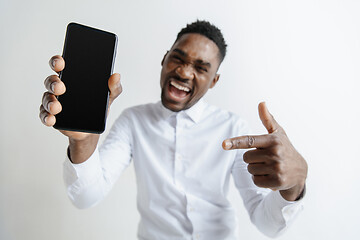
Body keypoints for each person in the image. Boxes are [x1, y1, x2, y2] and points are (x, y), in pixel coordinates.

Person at [39, 20, 307, 239]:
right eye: (177, 59)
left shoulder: (232, 127)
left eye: (200, 68)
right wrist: (82, 140)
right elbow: (85, 196)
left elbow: (267, 224)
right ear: (164, 59)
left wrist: (294, 187)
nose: (184, 72)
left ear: (214, 81)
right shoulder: (133, 121)